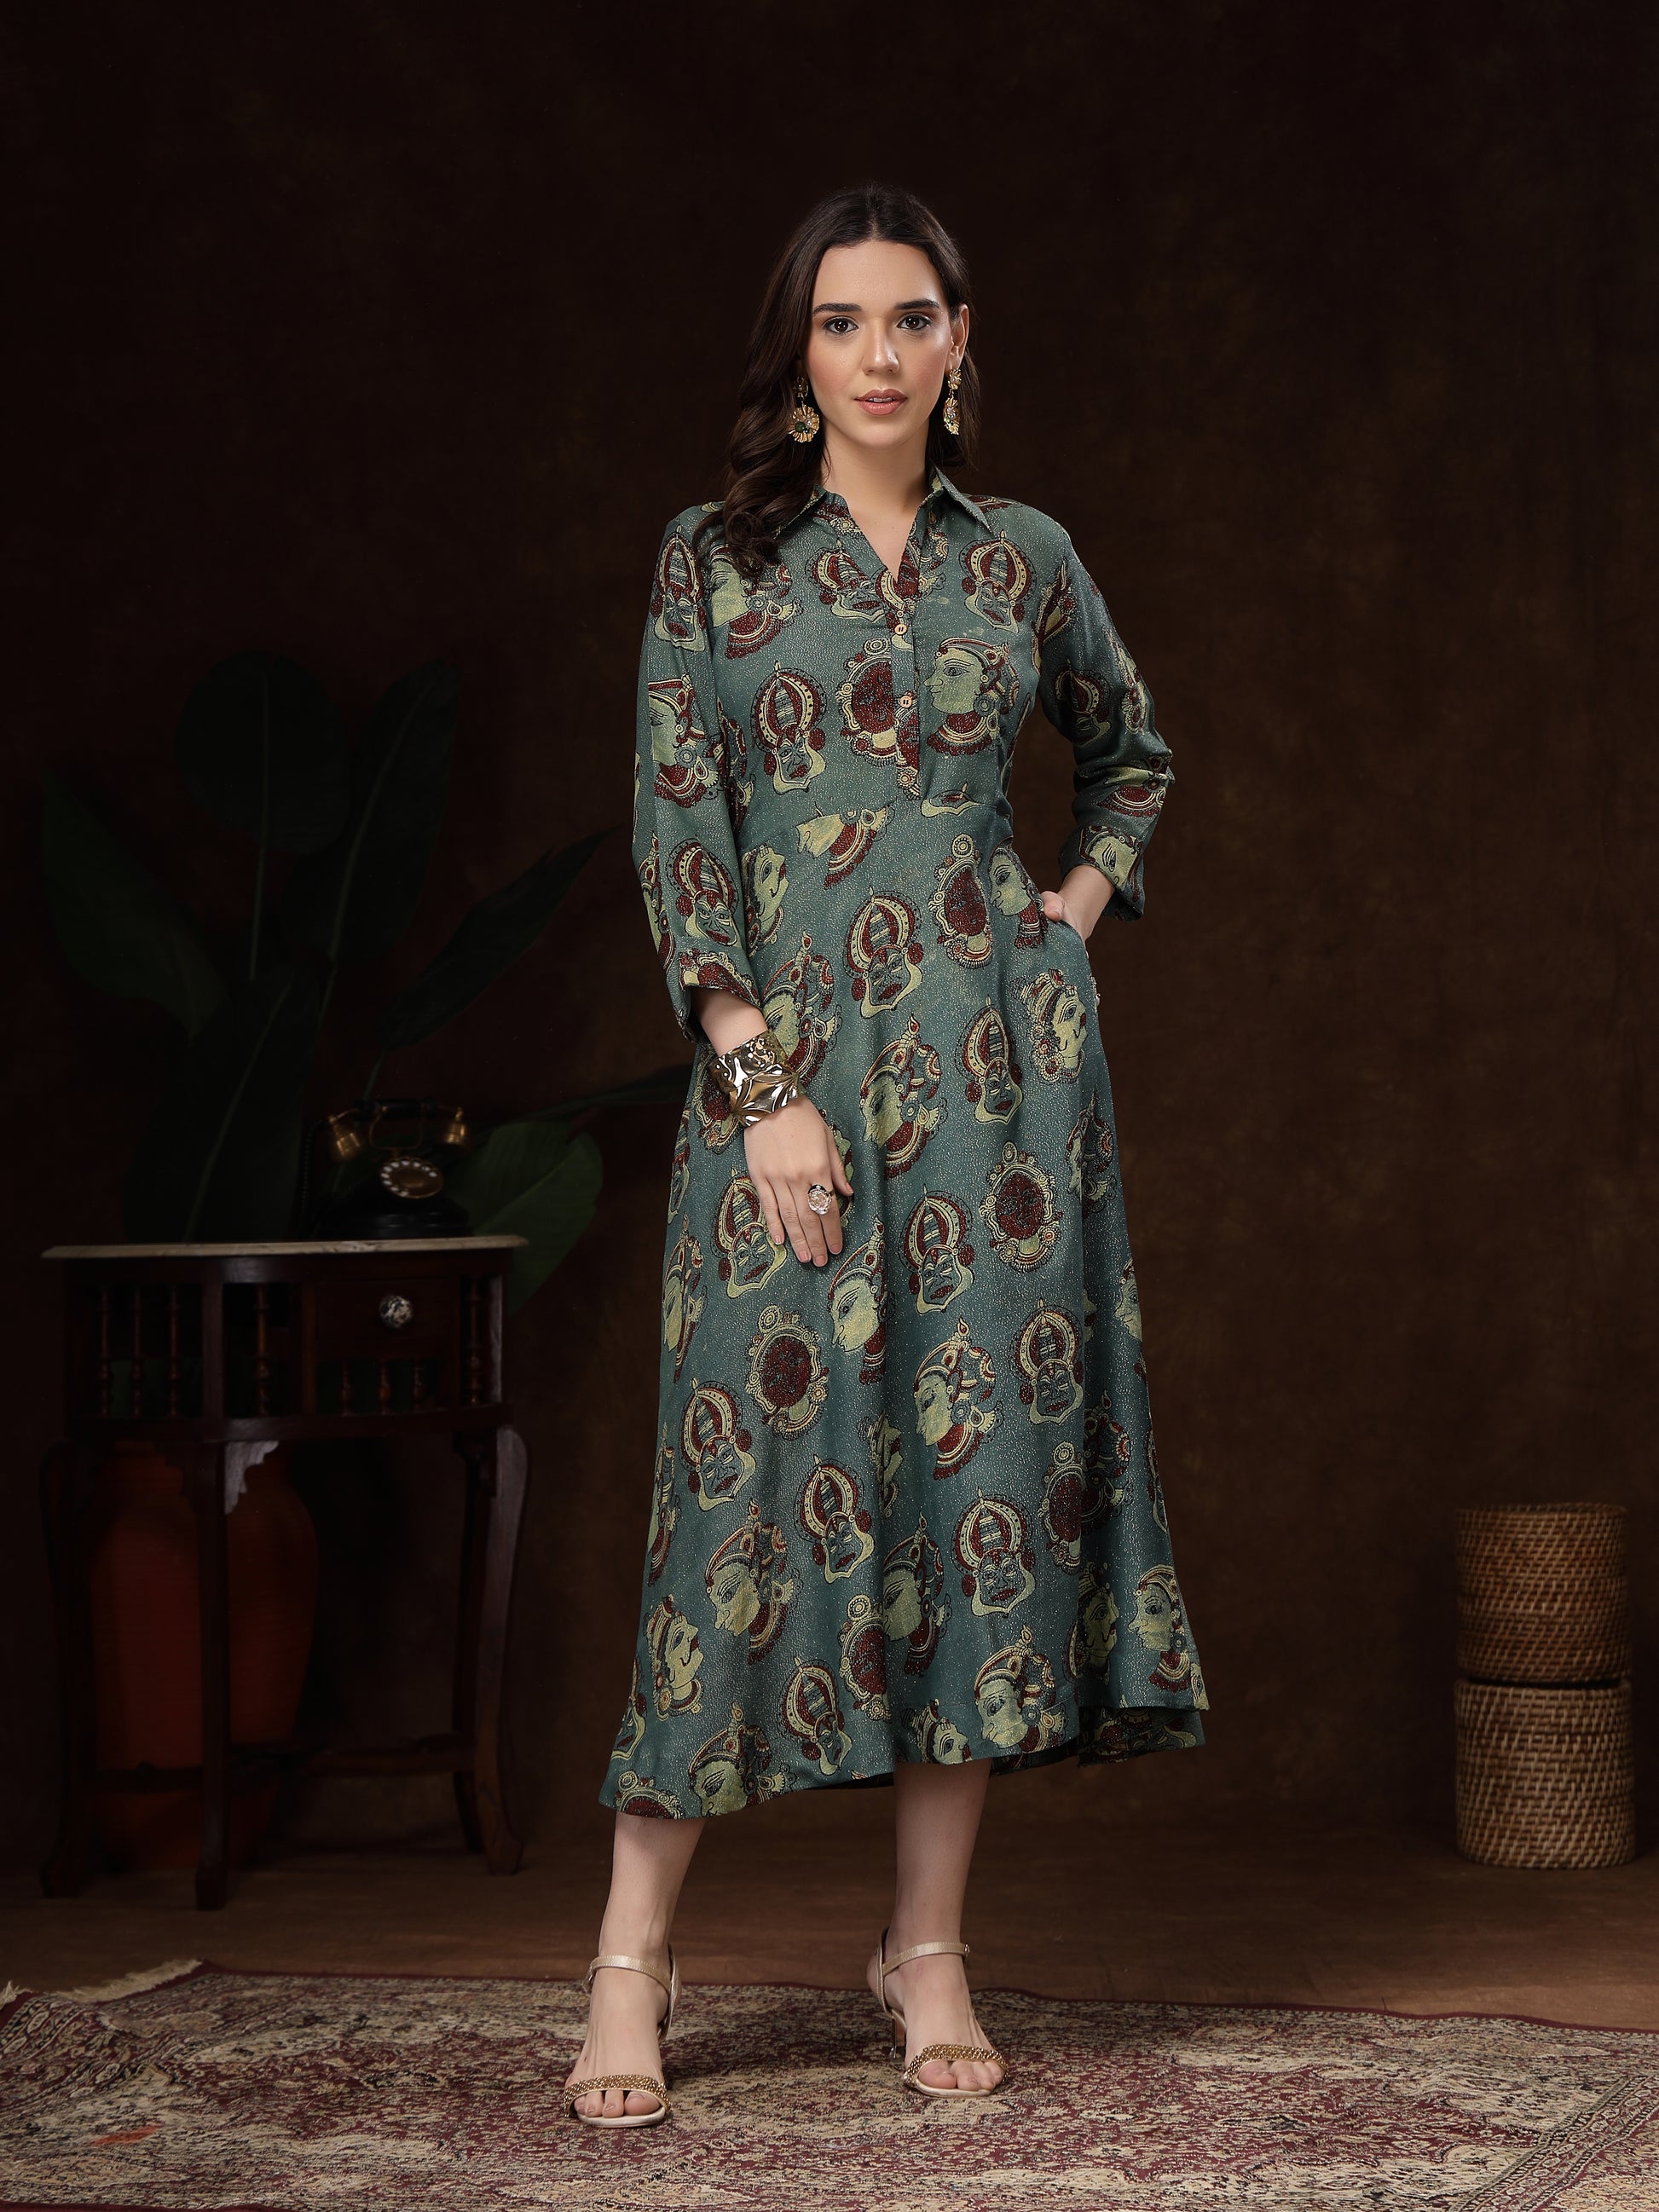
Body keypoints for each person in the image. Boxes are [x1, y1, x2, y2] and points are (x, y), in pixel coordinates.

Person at [567, 182, 1210, 2128]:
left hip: (1003, 1097)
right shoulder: (713, 562)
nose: (874, 352)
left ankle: (924, 1946)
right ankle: (630, 1959)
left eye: (908, 317)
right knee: (738, 1498)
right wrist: (758, 1084)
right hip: (788, 1081)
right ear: (800, 351)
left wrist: (1062, 919)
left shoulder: (1023, 558)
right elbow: (679, 821)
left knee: (978, 1484)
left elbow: (1131, 753)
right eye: (839, 320)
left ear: (956, 342)